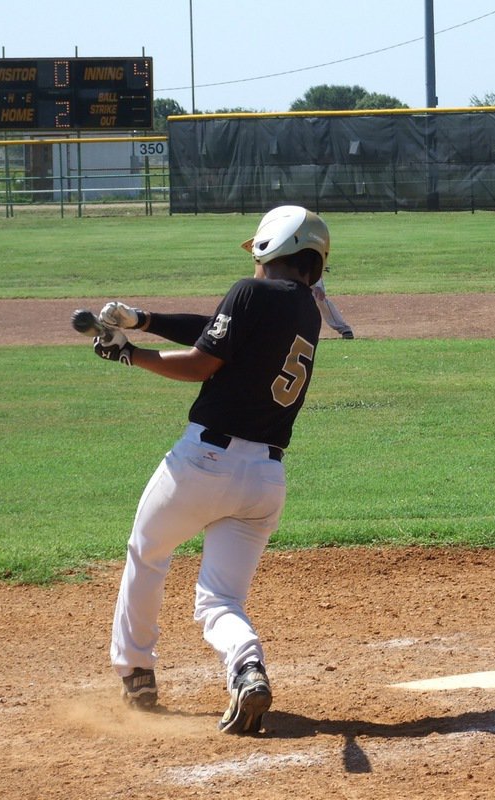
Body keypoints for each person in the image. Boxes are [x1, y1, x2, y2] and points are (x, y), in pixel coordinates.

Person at [90, 204, 329, 735]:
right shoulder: (307, 309)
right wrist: (143, 320)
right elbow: (217, 331)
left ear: (271, 246)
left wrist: (131, 354)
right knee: (220, 598)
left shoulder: (250, 293)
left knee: (147, 553)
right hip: (265, 480)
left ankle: (137, 675)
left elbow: (203, 360)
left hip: (202, 464)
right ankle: (246, 666)